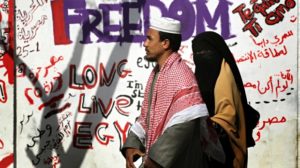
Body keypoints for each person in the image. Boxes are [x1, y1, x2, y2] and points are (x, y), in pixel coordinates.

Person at [121, 17, 224, 168]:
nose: (145, 43)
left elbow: (184, 125)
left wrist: (155, 160)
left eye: (150, 39)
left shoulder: (181, 75)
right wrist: (132, 144)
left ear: (165, 43)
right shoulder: (158, 73)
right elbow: (147, 115)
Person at [192, 31, 259, 168]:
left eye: (205, 52)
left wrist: (207, 126)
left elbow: (228, 116)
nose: (201, 57)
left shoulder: (225, 75)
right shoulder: (197, 76)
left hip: (226, 149)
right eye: (197, 54)